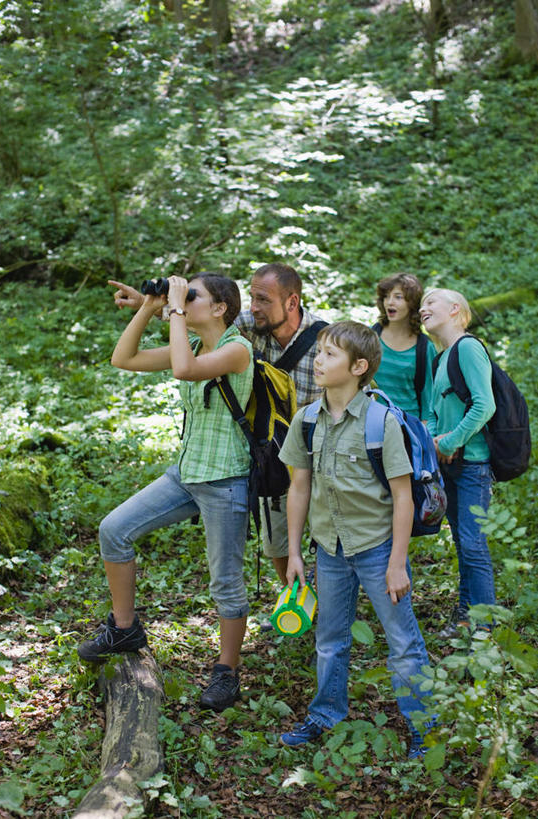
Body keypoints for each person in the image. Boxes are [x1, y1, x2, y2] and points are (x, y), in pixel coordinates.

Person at [78, 273, 254, 712]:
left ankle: (227, 672)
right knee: (114, 530)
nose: (184, 300)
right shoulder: (192, 344)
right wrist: (149, 306)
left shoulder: (237, 350)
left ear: (219, 308)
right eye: (184, 292)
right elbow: (124, 358)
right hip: (186, 474)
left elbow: (183, 371)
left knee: (225, 583)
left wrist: (172, 308)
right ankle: (125, 628)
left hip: (225, 480)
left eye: (193, 295)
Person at [108, 263, 326, 587]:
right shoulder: (252, 324)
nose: (253, 308)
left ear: (292, 303)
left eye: (263, 300)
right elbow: (206, 319)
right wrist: (149, 303)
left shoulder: (324, 339)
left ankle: (333, 600)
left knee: (327, 532)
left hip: (316, 445)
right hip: (274, 450)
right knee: (276, 539)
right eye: (251, 298)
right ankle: (294, 597)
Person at [277, 320, 432, 757]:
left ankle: (424, 726)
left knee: (402, 642)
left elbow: (403, 498)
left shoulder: (382, 421)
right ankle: (326, 714)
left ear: (359, 366)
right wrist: (293, 552)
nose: (317, 360)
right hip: (329, 550)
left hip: (378, 549)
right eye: (319, 352)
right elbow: (299, 488)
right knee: (329, 640)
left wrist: (397, 563)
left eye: (329, 354)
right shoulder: (306, 419)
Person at [420, 288, 496, 638]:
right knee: (464, 544)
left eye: (430, 302)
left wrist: (450, 441)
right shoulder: (441, 357)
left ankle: (484, 627)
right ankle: (466, 617)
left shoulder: (468, 348)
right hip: (449, 464)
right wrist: (436, 441)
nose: (423, 309)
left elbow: (484, 405)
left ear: (455, 310)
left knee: (473, 543)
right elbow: (435, 412)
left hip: (473, 466)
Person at [373, 273, 436, 421]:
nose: (389, 302)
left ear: (412, 303)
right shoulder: (371, 336)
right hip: (369, 425)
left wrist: (422, 435)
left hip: (407, 428)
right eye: (386, 297)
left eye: (398, 297)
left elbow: (430, 400)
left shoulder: (425, 348)